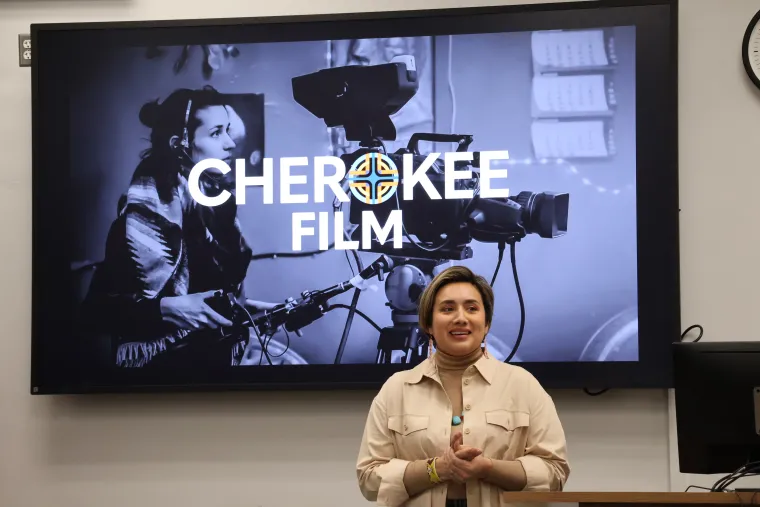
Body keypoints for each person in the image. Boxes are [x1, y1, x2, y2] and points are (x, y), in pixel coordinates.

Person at [79, 85, 277, 370]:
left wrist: (254, 312)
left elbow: (210, 298)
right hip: (160, 390)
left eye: (228, 130)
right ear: (179, 143)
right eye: (216, 132)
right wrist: (166, 309)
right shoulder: (139, 222)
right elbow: (93, 313)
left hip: (220, 381)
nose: (230, 144)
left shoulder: (219, 213)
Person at [356, 265, 570, 507]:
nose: (460, 318)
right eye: (447, 309)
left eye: (472, 308)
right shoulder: (396, 389)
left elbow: (555, 473)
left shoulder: (523, 385)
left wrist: (488, 468)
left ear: (486, 323)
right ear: (427, 324)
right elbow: (369, 479)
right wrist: (437, 469)